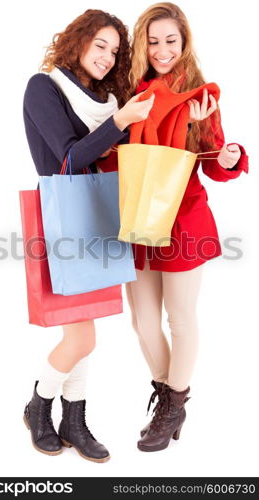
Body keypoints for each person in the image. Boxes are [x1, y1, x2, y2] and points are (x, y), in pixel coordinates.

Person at [22, 9, 154, 463]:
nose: (106, 56)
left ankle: (73, 422)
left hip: (97, 220)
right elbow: (67, 162)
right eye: (99, 44)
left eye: (114, 51)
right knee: (83, 337)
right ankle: (38, 406)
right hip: (62, 222)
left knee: (87, 328)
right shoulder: (44, 88)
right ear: (77, 41)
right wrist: (118, 125)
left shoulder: (106, 100)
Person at [126, 2, 249, 452]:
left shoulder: (201, 94)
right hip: (138, 215)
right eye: (153, 41)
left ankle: (172, 406)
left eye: (170, 41)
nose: (161, 50)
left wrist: (228, 154)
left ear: (184, 42)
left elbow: (214, 163)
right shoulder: (132, 91)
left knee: (179, 317)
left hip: (183, 217)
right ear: (143, 44)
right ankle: (169, 395)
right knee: (142, 321)